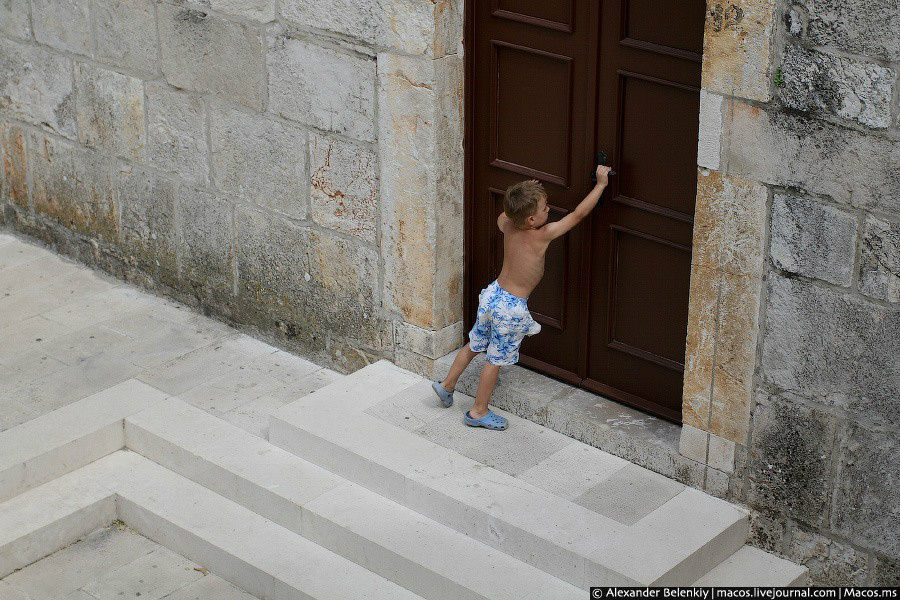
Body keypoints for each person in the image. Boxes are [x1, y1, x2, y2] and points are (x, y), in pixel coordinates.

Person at [432, 164, 612, 430]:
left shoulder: (507, 223)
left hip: (492, 295)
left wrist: (524, 194)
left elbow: (507, 211)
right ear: (531, 220)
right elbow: (577, 215)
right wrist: (600, 185)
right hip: (510, 309)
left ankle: (447, 385)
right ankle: (478, 411)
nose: (548, 210)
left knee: (474, 344)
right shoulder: (541, 236)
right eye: (544, 208)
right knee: (494, 361)